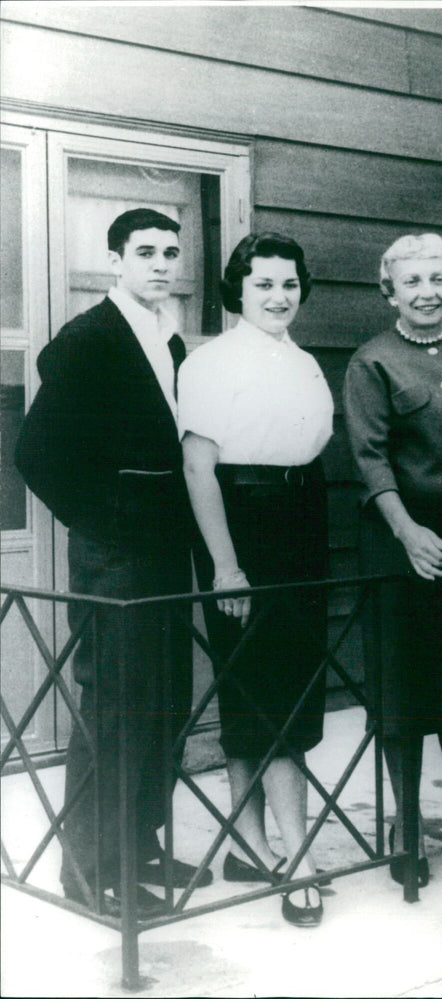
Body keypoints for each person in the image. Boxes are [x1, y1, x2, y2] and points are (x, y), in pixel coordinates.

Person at [15, 208, 207, 917]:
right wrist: (106, 520)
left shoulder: (168, 337)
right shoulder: (91, 338)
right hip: (117, 552)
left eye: (170, 252)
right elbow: (36, 454)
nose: (161, 264)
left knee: (165, 700)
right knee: (118, 706)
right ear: (115, 262)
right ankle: (90, 868)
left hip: (165, 545)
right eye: (146, 252)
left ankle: (143, 844)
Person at [179, 232, 333, 928]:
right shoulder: (212, 362)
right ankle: (298, 861)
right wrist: (227, 564)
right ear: (237, 289)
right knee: (268, 692)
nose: (279, 296)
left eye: (289, 283)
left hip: (300, 523)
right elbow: (198, 468)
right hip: (244, 526)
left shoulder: (301, 361)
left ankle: (247, 845)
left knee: (268, 690)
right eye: (264, 283)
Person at [343, 233, 442, 885]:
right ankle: (406, 827)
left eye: (439, 279)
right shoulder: (371, 362)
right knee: (402, 693)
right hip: (399, 550)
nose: (428, 292)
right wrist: (408, 531)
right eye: (413, 282)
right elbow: (370, 456)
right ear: (390, 291)